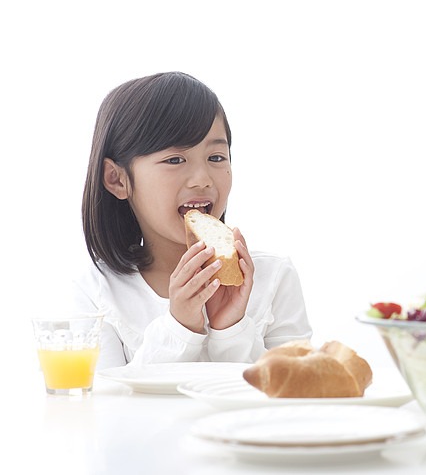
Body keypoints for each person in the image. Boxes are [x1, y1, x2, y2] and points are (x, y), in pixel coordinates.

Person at [74, 72, 312, 369]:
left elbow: (293, 396)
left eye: (216, 157)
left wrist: (230, 328)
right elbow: (103, 404)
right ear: (117, 179)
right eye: (175, 160)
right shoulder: (97, 290)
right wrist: (180, 327)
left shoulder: (274, 277)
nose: (203, 179)